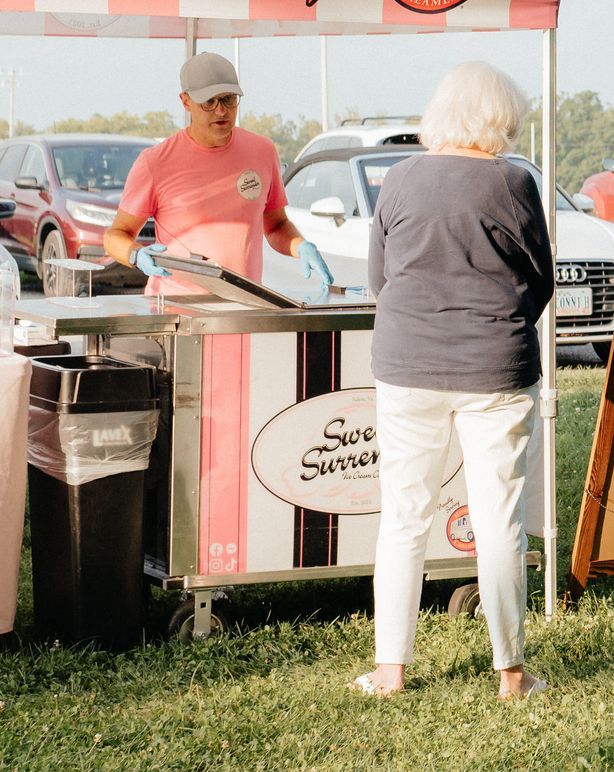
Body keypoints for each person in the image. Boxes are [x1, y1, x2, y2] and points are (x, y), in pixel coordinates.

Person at [357, 62, 555, 701]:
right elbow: (540, 279)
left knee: (404, 514)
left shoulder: (401, 177)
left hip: (406, 364)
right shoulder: (513, 181)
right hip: (494, 364)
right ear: (501, 118)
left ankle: (390, 669)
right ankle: (511, 673)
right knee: (498, 517)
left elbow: (379, 280)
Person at [104, 51, 332, 296]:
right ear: (185, 101)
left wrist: (301, 246)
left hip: (245, 305)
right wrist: (136, 254)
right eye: (209, 102)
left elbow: (276, 225)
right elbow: (116, 235)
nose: (221, 111)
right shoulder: (155, 162)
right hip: (177, 309)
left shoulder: (262, 151)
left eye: (228, 99)